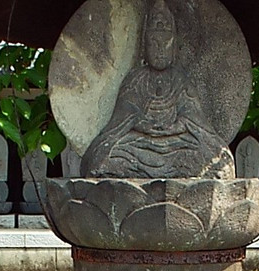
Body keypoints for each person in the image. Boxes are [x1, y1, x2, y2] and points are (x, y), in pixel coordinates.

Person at [81, 0, 234, 180]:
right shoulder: (136, 79)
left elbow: (195, 119)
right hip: (140, 142)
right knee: (102, 158)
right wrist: (142, 125)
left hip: (176, 141)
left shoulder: (180, 80)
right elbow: (121, 119)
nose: (160, 50)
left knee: (215, 160)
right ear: (144, 47)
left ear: (175, 46)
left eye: (165, 44)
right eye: (154, 43)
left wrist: (178, 126)